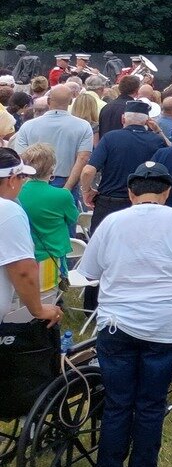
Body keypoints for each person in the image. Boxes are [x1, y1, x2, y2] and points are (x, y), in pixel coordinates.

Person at [76, 161, 172, 467]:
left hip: (116, 323)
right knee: (150, 404)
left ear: (130, 192)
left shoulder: (112, 221)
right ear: (167, 192)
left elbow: (89, 270)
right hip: (163, 323)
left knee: (118, 403)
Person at [80, 100, 168, 233]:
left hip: (109, 204)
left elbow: (88, 171)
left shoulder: (110, 138)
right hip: (142, 205)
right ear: (147, 121)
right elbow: (170, 151)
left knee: (103, 248)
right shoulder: (156, 141)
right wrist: (159, 131)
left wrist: (86, 190)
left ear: (123, 118)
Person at [1, 152, 64, 324]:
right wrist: (38, 310)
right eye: (22, 177)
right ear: (11, 179)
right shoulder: (8, 210)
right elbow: (23, 269)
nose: (24, 182)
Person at [17, 144, 78, 303]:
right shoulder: (62, 196)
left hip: (21, 257)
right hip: (50, 256)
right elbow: (72, 219)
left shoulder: (16, 193)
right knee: (45, 304)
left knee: (22, 304)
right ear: (51, 168)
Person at [11, 82, 94, 189]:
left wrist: (27, 183)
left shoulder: (28, 126)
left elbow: (21, 156)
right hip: (65, 180)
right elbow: (83, 158)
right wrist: (67, 188)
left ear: (49, 101)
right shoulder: (83, 126)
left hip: (33, 180)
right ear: (70, 101)